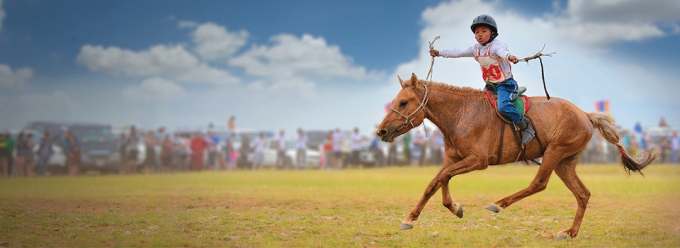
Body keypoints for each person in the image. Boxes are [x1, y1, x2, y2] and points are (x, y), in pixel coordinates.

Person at [429, 14, 534, 146]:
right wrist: (440, 53)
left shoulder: (496, 46)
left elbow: (503, 52)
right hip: (490, 85)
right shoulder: (475, 49)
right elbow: (457, 52)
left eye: (484, 31)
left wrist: (510, 56)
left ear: (493, 33)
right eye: (477, 32)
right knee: (479, 108)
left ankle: (525, 126)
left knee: (503, 107)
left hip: (505, 85)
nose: (479, 34)